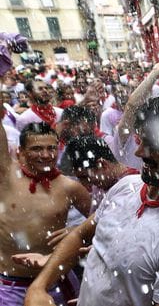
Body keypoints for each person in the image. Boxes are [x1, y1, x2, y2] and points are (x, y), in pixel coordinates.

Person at [24, 93, 159, 306]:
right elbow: (80, 235)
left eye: (153, 144)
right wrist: (39, 286)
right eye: (141, 140)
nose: (139, 152)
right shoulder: (127, 186)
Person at [0, 122, 91, 305]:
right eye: (37, 149)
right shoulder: (6, 175)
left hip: (56, 282)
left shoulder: (70, 187)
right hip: (9, 284)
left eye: (52, 148)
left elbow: (103, 221)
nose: (46, 155)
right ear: (21, 151)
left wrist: (77, 229)